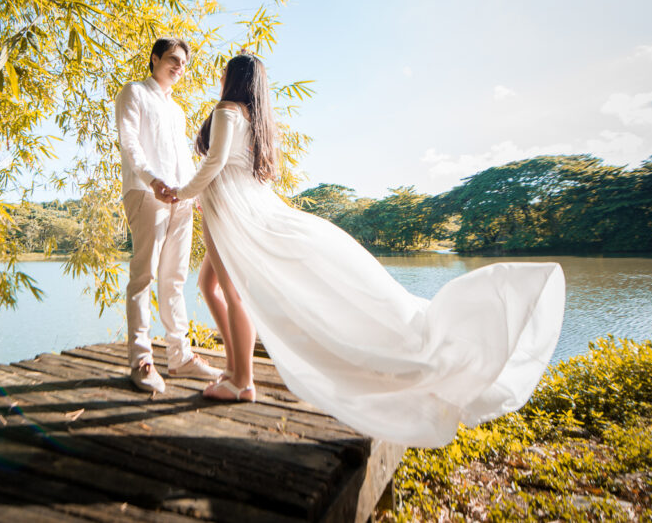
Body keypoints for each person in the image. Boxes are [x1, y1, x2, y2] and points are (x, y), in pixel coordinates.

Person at [163, 52, 566, 448]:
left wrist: (180, 193)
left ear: (232, 78)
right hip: (237, 203)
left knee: (229, 290)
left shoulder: (226, 111)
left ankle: (242, 380)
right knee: (211, 284)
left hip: (231, 207)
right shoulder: (255, 119)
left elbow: (214, 164)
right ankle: (236, 372)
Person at [114, 37, 223, 393]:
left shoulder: (177, 110)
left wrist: (195, 192)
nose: (179, 67)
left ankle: (179, 356)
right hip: (146, 193)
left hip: (180, 198)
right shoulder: (133, 92)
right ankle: (141, 360)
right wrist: (152, 179)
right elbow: (130, 142)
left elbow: (184, 158)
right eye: (173, 59)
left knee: (174, 279)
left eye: (184, 63)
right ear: (155, 58)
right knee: (144, 275)